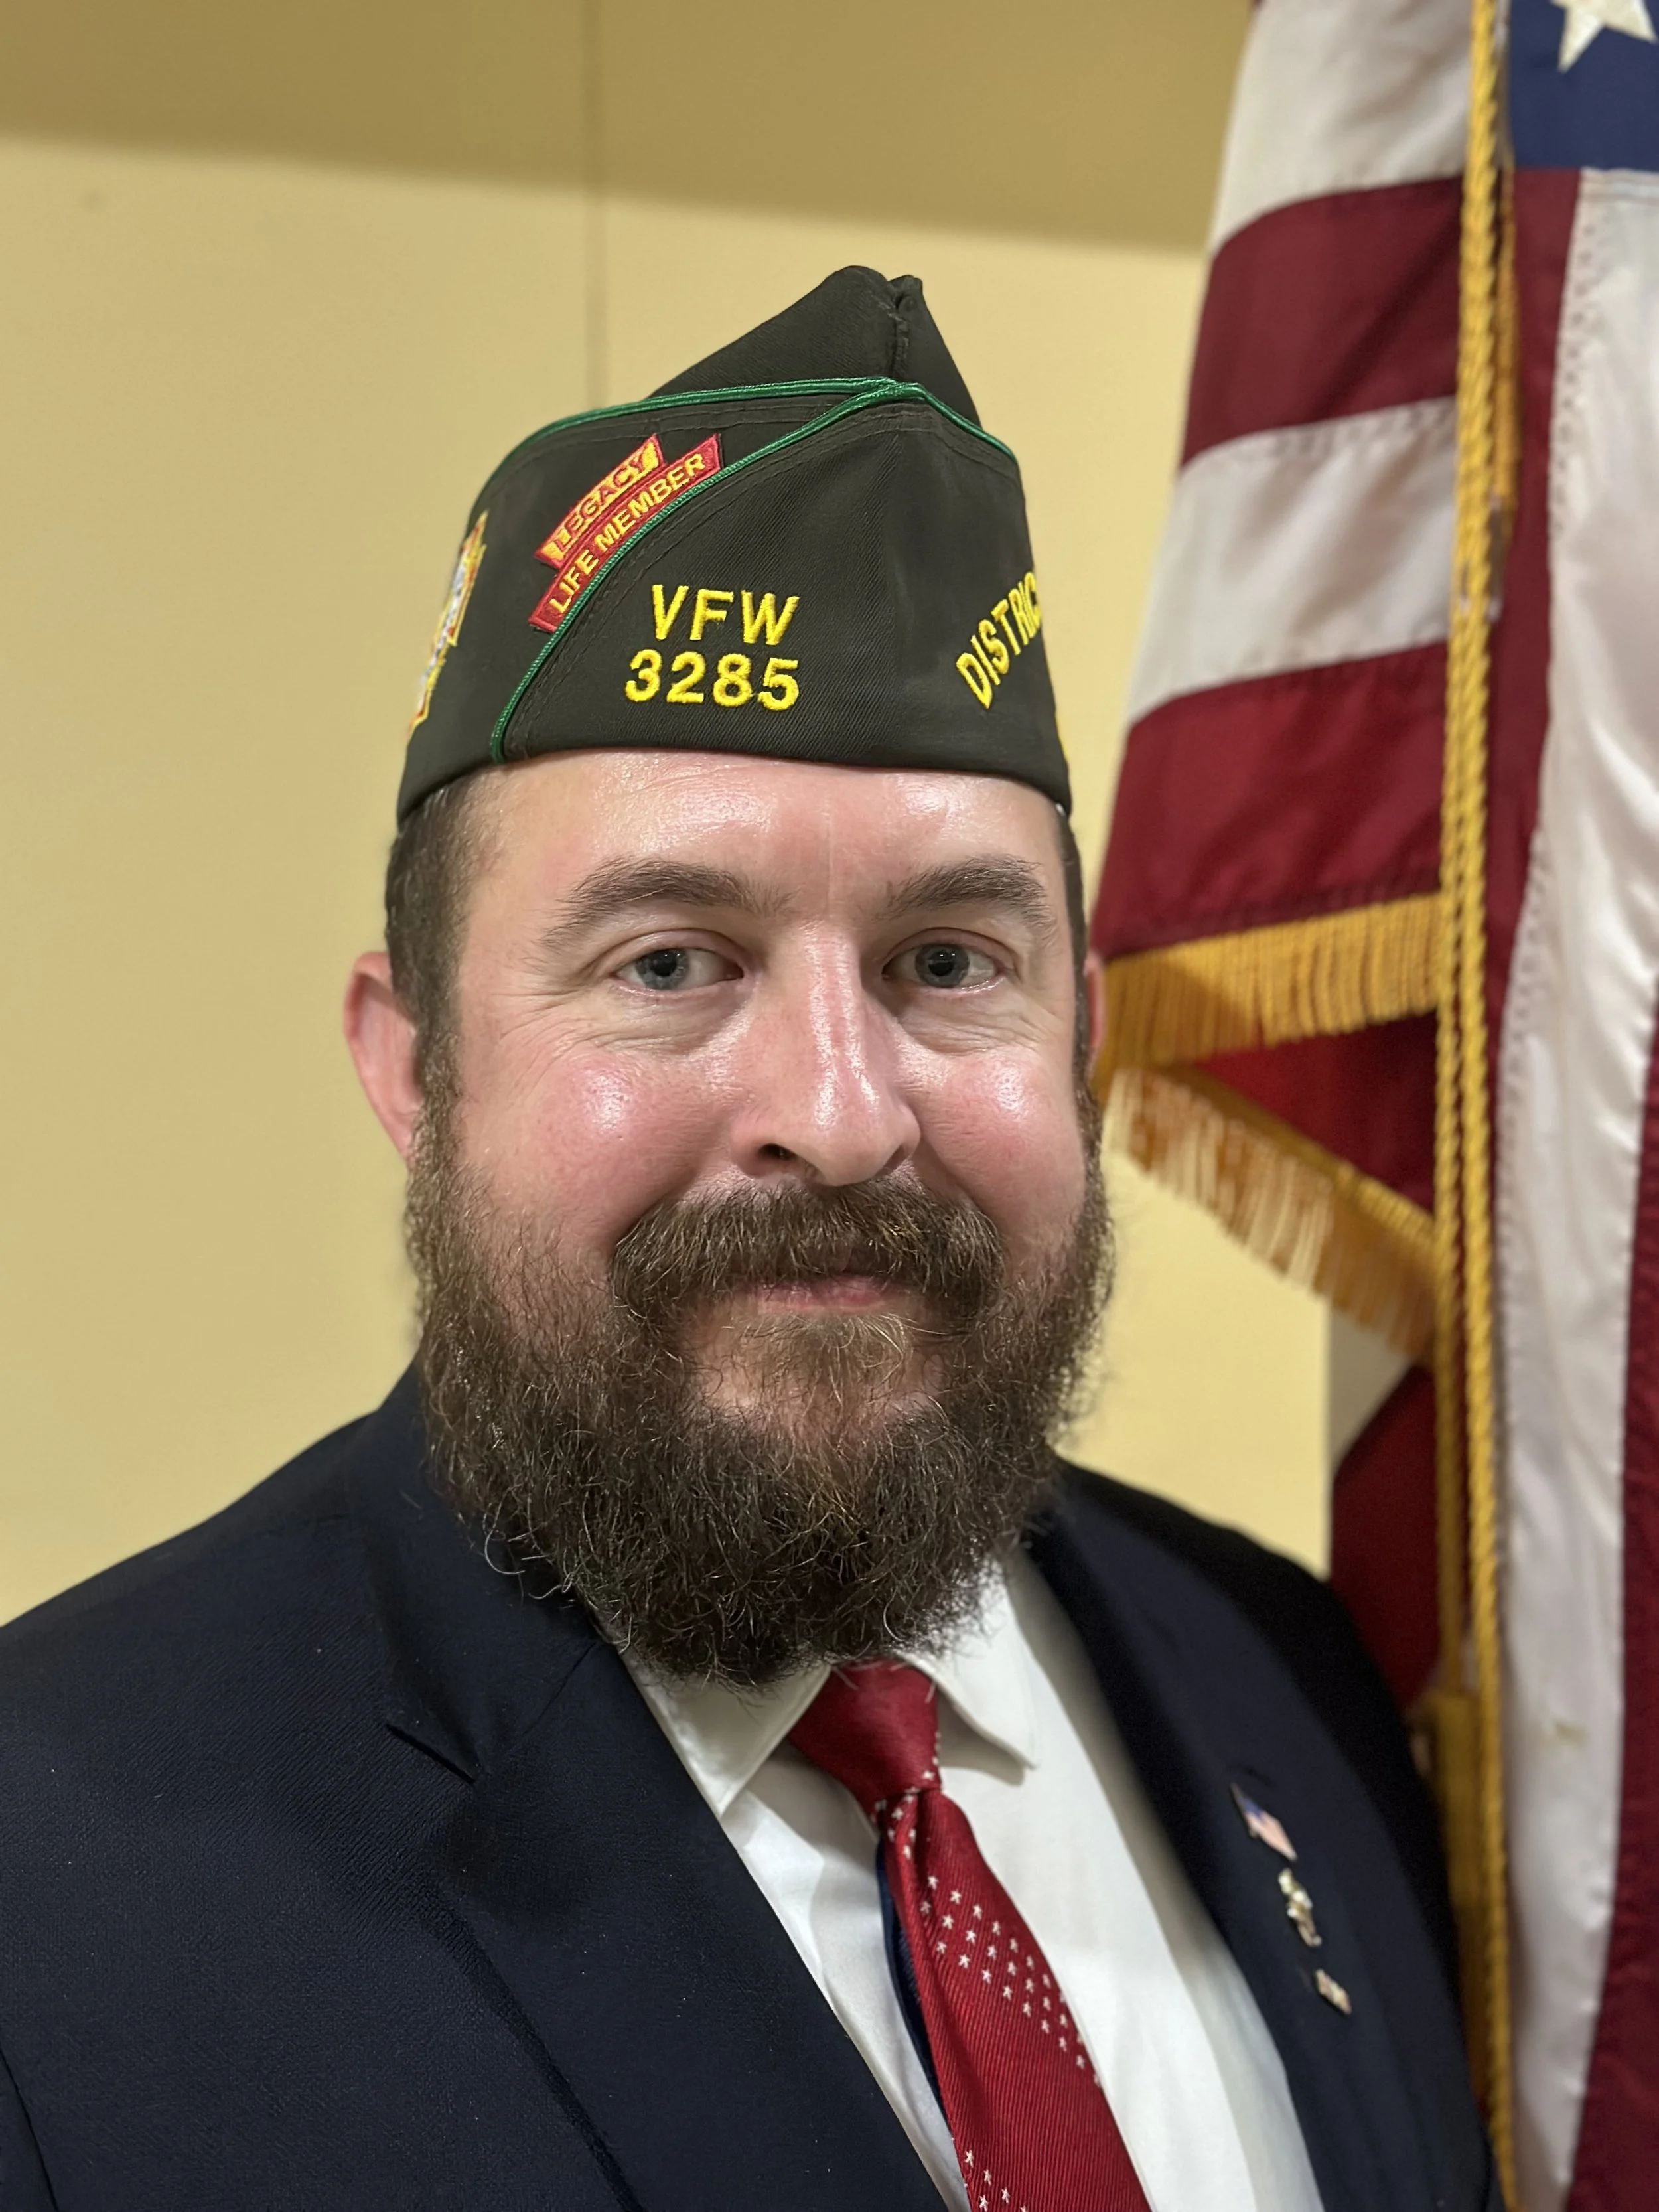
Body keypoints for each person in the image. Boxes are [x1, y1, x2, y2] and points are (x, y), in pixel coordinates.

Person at [0, 269, 1497, 2212]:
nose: (843, 1110)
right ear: (414, 1062)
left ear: (1081, 1032)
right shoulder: (55, 1887)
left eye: (947, 961)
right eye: (671, 962)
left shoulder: (1286, 1673)